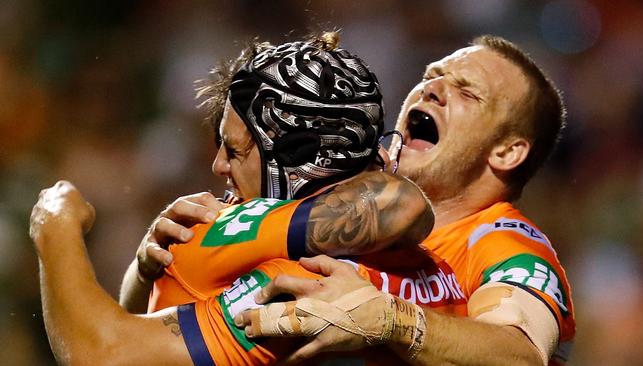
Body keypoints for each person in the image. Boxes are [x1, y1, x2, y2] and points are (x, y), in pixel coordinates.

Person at [29, 33, 463, 365]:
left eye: (236, 150)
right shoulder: (438, 266)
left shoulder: (294, 280)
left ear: (301, 156)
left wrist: (55, 225)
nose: (219, 166)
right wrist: (146, 270)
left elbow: (103, 353)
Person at [228, 35, 576, 366]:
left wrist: (392, 321)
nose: (432, 90)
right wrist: (215, 227)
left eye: (468, 94)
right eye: (431, 76)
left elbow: (521, 355)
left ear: (507, 151)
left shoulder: (505, 245)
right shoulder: (351, 201)